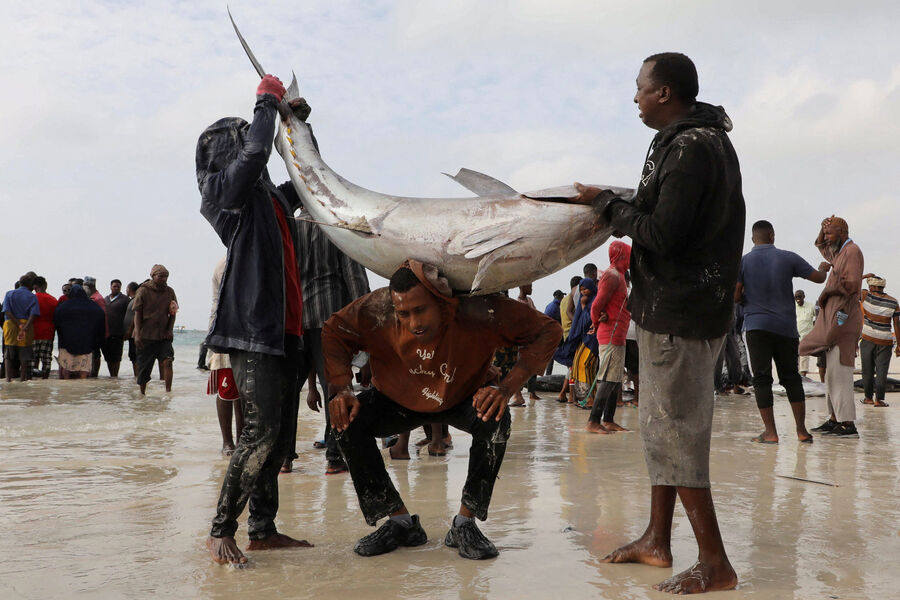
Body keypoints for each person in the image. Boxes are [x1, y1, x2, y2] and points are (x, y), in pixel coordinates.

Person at [575, 52, 743, 594]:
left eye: (641, 89)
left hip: (680, 314)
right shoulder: (700, 140)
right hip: (681, 308)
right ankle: (656, 537)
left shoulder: (691, 148)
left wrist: (605, 206)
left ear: (665, 93)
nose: (636, 98)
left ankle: (715, 563)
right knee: (661, 432)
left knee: (677, 434)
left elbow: (664, 234)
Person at [324, 260, 560, 560]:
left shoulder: (480, 310)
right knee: (345, 421)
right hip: (396, 400)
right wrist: (342, 388)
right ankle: (398, 521)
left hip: (462, 396)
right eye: (404, 314)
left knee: (496, 419)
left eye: (421, 310)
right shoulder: (378, 307)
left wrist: (506, 388)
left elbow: (548, 331)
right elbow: (334, 330)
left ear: (442, 302)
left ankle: (465, 522)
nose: (413, 323)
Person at [198, 74, 314, 566]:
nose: (250, 141)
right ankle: (221, 529)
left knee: (279, 439)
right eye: (241, 137)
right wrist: (266, 102)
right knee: (259, 433)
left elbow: (307, 183)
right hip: (252, 331)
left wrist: (301, 128)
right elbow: (253, 158)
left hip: (287, 328)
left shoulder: (269, 198)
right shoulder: (225, 193)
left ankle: (263, 529)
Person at [290, 205, 370, 475]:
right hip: (330, 321)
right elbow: (355, 280)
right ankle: (335, 458)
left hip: (295, 320)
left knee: (287, 392)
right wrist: (366, 331)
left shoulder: (289, 227)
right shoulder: (336, 228)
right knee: (335, 388)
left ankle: (283, 458)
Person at [734, 220, 828, 444]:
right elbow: (818, 278)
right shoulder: (788, 257)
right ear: (772, 236)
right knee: (792, 378)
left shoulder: (744, 262)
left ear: (753, 239)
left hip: (757, 327)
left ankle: (771, 433)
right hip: (786, 328)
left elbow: (736, 296)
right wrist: (824, 268)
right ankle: (802, 431)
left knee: (762, 379)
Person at [799, 216, 864, 437]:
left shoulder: (852, 251)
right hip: (833, 322)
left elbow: (853, 284)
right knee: (831, 376)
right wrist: (822, 228)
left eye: (830, 233)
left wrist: (828, 291)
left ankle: (847, 424)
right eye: (826, 233)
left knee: (841, 374)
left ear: (843, 233)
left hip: (843, 321)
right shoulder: (838, 253)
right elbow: (820, 246)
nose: (826, 238)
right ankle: (835, 419)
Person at [586, 240, 631, 434]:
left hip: (618, 334)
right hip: (610, 333)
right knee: (608, 378)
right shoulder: (612, 276)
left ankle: (609, 419)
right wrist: (597, 324)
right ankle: (593, 421)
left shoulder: (620, 275)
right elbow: (596, 306)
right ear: (622, 256)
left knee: (615, 378)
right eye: (628, 255)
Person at [207, 258, 243, 456]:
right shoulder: (224, 264)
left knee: (243, 392)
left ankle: (240, 439)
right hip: (228, 330)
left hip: (247, 333)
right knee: (227, 390)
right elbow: (218, 302)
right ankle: (227, 441)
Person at [553, 278, 598, 405]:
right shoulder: (583, 301)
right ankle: (586, 397)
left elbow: (589, 318)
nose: (583, 292)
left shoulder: (594, 300)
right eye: (581, 289)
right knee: (577, 366)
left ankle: (588, 398)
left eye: (586, 289)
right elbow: (579, 319)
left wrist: (584, 306)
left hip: (592, 339)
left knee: (584, 365)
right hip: (581, 337)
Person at [133, 265, 178, 394]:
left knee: (168, 361)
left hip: (163, 336)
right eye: (161, 276)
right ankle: (142, 393)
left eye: (166, 276)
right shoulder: (143, 291)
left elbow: (173, 312)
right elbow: (137, 313)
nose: (164, 279)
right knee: (144, 368)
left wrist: (169, 330)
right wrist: (137, 334)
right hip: (146, 335)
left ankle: (168, 392)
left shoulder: (170, 292)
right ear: (153, 276)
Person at [858, 275, 899, 407]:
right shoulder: (893, 301)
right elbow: (897, 324)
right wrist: (899, 345)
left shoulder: (865, 296)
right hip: (885, 340)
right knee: (882, 370)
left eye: (870, 285)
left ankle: (868, 398)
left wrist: (864, 276)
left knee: (867, 370)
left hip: (867, 338)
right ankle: (879, 400)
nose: (869, 287)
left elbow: (853, 283)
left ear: (874, 286)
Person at [53, 284, 106, 379]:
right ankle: (83, 384)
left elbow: (56, 322)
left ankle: (66, 383)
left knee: (67, 368)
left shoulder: (63, 307)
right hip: (86, 342)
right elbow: (101, 317)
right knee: (83, 368)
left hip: (67, 342)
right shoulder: (93, 306)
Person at [3, 273, 40, 382]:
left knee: (8, 354)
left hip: (10, 324)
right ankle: (23, 378)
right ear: (30, 285)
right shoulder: (32, 296)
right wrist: (24, 327)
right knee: (24, 353)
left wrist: (18, 324)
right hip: (26, 324)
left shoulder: (9, 294)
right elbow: (33, 314)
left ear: (20, 283)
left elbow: (7, 311)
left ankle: (8, 378)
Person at [31, 276, 58, 379]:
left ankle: (33, 381)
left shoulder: (32, 298)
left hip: (33, 333)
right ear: (45, 285)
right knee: (46, 359)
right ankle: (45, 378)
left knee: (33, 359)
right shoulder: (53, 300)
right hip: (48, 333)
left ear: (34, 287)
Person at [102, 279, 129, 377]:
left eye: (118, 286)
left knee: (117, 358)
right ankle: (111, 376)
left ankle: (115, 376)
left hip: (118, 333)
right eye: (114, 286)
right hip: (107, 333)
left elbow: (129, 316)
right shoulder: (105, 299)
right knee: (108, 357)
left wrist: (127, 331)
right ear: (110, 287)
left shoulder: (125, 299)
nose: (116, 288)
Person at [83, 276, 107, 378]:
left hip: (96, 332)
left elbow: (103, 316)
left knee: (96, 353)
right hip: (89, 332)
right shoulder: (90, 297)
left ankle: (95, 374)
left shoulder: (97, 298)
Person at [543, 289, 565, 376]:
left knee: (550, 356)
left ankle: (548, 375)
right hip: (553, 335)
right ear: (559, 297)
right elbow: (560, 321)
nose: (563, 298)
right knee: (560, 353)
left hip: (548, 334)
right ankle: (570, 372)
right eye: (562, 296)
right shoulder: (556, 307)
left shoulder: (549, 305)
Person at [795, 290, 816, 377]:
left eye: (799, 297)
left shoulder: (811, 306)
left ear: (804, 296)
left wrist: (815, 327)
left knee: (804, 358)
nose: (798, 299)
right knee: (794, 359)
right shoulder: (792, 307)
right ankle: (795, 378)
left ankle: (803, 378)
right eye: (796, 297)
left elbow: (819, 316)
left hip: (806, 337)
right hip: (794, 336)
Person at [122, 281, 139, 378]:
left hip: (134, 334)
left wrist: (129, 330)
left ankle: (137, 376)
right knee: (133, 356)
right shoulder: (131, 300)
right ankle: (136, 376)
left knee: (135, 356)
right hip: (131, 334)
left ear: (129, 289)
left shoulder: (136, 300)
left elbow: (135, 316)